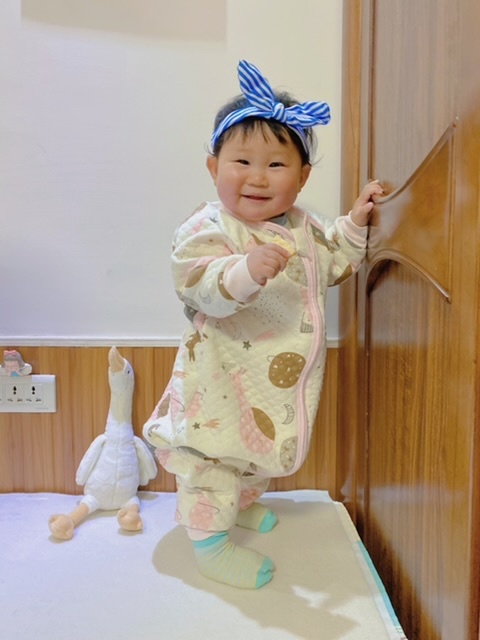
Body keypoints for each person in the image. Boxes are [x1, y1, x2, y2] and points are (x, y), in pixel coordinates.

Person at [143, 60, 383, 589]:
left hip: (274, 381)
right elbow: (197, 282)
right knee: (214, 461)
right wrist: (243, 271)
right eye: (242, 161)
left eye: (276, 164)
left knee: (256, 457)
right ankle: (210, 546)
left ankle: (242, 502)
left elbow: (335, 260)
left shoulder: (304, 226)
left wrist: (355, 224)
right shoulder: (209, 226)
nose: (257, 176)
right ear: (213, 167)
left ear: (302, 177)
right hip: (219, 379)